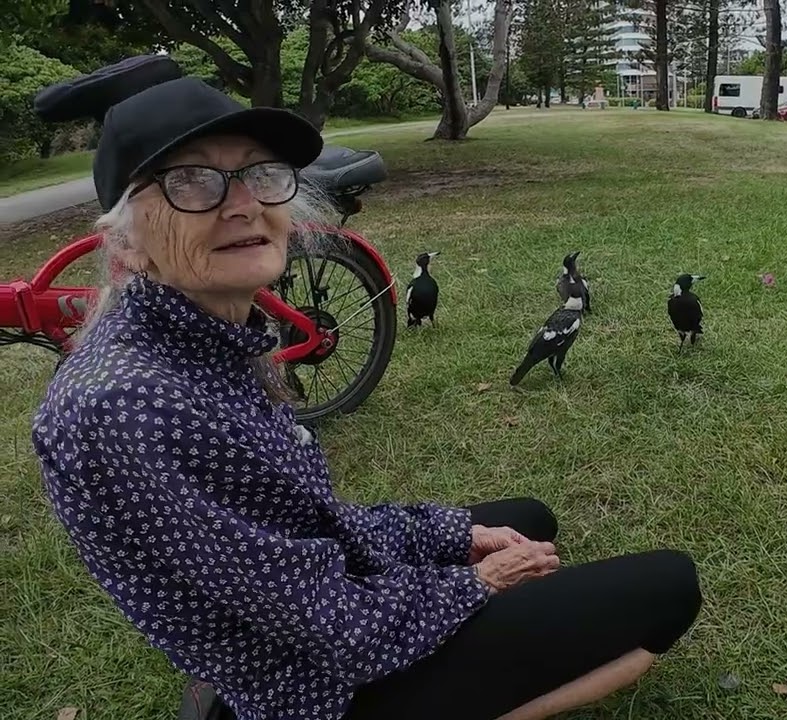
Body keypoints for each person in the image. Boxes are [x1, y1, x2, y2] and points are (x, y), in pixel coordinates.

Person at [30, 74, 702, 720]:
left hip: (303, 618)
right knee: (669, 588)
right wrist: (479, 584)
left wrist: (451, 534)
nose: (243, 205)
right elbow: (332, 624)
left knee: (528, 517)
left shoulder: (198, 337)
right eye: (191, 182)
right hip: (313, 688)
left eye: (258, 174)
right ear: (126, 242)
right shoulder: (125, 408)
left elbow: (314, 525)